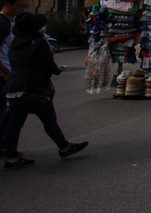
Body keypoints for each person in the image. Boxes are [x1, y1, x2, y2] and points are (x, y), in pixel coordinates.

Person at [3, 12, 88, 170]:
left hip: (14, 89)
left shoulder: (15, 44)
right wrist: (57, 70)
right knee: (49, 120)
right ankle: (64, 147)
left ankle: (11, 157)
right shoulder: (38, 43)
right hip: (34, 90)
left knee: (14, 125)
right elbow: (48, 65)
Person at [0, 0, 30, 150]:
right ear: (7, 5)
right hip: (4, 75)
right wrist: (5, 72)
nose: (23, 10)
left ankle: (5, 144)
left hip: (9, 73)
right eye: (20, 6)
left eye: (25, 6)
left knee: (7, 110)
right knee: (5, 111)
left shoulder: (11, 22)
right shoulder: (2, 24)